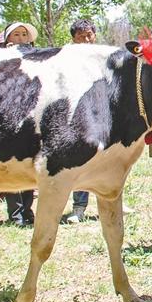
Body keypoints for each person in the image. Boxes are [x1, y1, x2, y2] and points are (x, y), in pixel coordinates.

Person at [0, 21, 39, 226]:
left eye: (24, 34)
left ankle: (28, 210)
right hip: (7, 118)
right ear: (7, 39)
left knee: (29, 166)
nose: (21, 38)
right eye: (16, 34)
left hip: (31, 118)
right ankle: (15, 214)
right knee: (11, 167)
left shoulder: (37, 58)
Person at [65, 19, 97, 223]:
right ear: (73, 38)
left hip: (103, 116)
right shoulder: (66, 58)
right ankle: (79, 208)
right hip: (77, 117)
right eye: (81, 36)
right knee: (80, 163)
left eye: (89, 35)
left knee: (109, 162)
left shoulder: (103, 57)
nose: (86, 40)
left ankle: (113, 202)